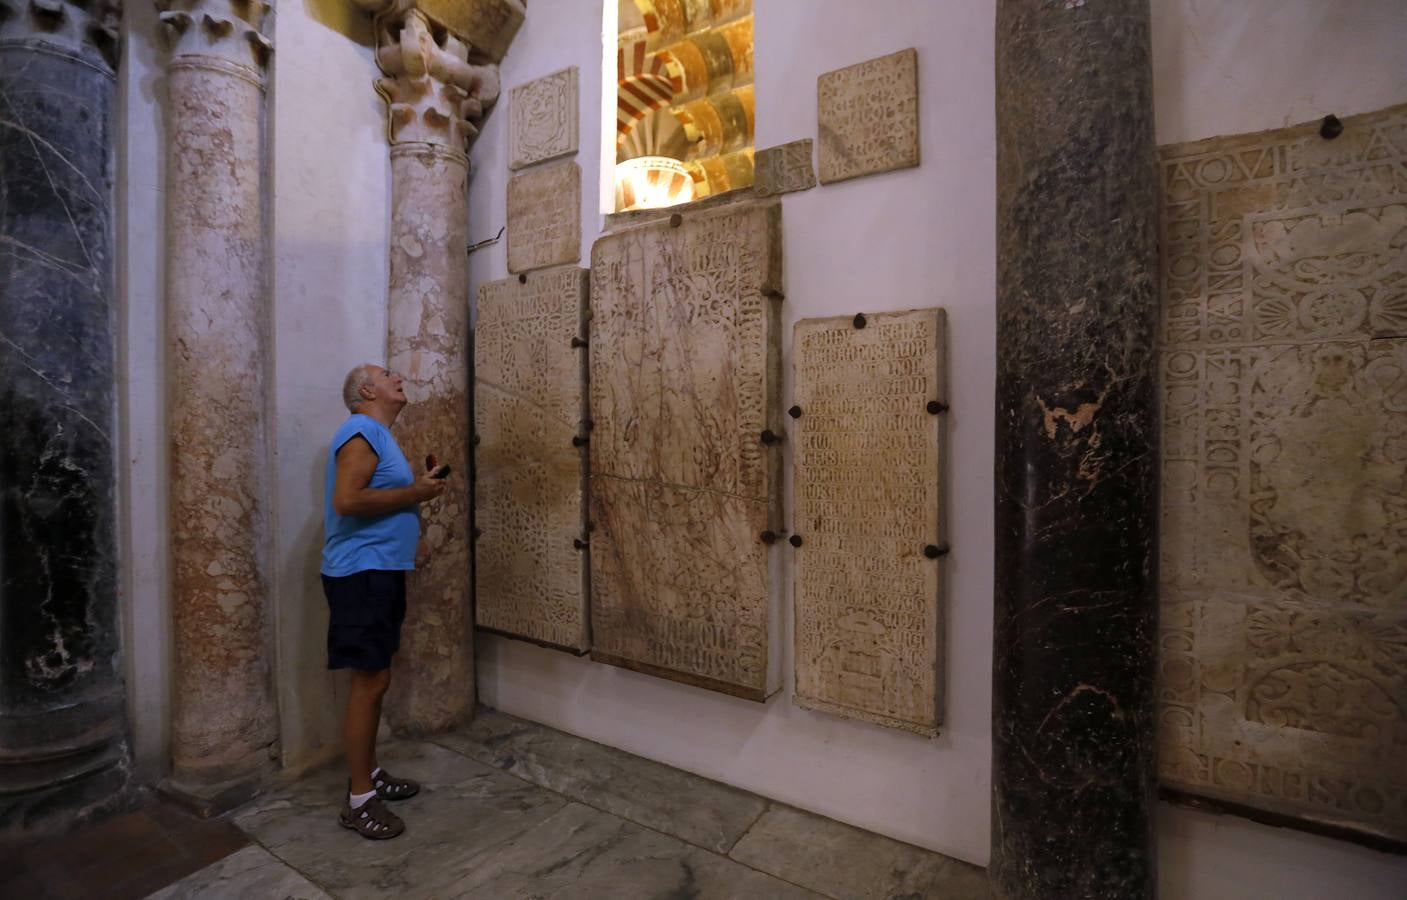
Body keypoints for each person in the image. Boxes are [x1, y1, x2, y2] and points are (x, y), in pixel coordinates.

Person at [320, 363, 447, 839]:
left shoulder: (378, 434)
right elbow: (347, 502)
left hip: (378, 571)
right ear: (367, 390)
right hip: (361, 574)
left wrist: (416, 499)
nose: (398, 377)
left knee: (377, 677)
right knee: (369, 682)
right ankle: (358, 800)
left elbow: (378, 499)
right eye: (386, 373)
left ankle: (370, 775)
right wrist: (416, 490)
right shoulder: (359, 430)